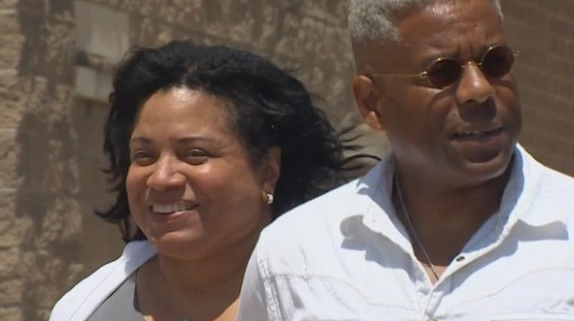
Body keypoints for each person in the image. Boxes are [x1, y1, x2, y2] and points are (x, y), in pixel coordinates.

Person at [235, 0, 574, 320]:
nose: (479, 90)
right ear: (372, 103)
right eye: (443, 72)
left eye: (495, 62)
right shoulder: (294, 253)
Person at [49, 40, 360, 321]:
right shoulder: (84, 310)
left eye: (194, 154)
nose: (161, 177)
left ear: (268, 169)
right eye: (144, 156)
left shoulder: (341, 302)